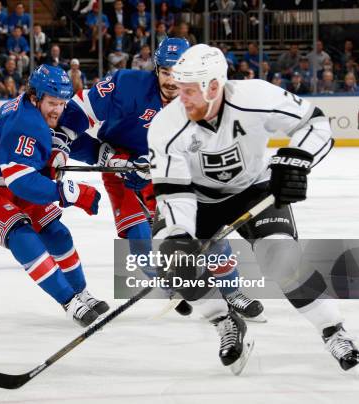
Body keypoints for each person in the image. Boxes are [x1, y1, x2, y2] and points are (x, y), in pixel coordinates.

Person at [148, 43, 359, 373]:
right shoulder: (166, 126)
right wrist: (178, 235)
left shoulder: (257, 97)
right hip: (198, 200)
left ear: (214, 86)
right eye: (180, 89)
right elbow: (174, 192)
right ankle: (225, 323)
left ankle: (333, 331)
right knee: (174, 257)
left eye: (190, 91)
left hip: (254, 191)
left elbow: (315, 124)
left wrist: (297, 161)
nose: (182, 98)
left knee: (281, 259)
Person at [58, 38, 265, 320]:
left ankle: (232, 292)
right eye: (165, 72)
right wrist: (69, 145)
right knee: (140, 241)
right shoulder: (125, 84)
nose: (171, 80)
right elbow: (78, 110)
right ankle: (172, 284)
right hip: (121, 166)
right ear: (156, 69)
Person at [0, 65, 108, 327]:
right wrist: (72, 193)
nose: (58, 109)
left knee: (56, 231)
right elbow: (21, 181)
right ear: (35, 97)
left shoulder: (37, 112)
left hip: (4, 184)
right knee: (21, 234)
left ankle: (81, 292)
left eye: (62, 103)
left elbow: (59, 139)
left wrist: (89, 152)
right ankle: (69, 301)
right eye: (52, 102)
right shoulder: (24, 121)